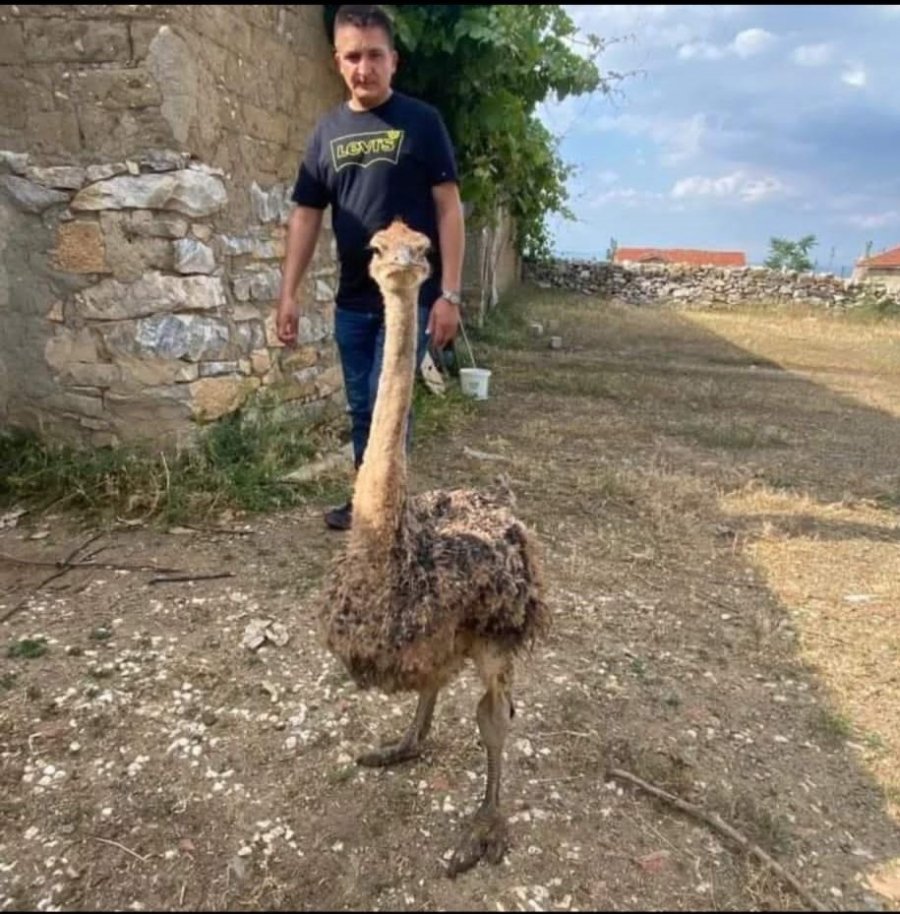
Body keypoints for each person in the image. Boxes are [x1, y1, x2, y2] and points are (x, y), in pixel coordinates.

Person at [275, 4, 465, 531]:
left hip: (408, 300)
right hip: (354, 300)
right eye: (353, 57)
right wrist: (287, 292)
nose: (365, 68)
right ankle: (368, 498)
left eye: (375, 55)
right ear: (338, 61)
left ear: (394, 61)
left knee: (393, 403)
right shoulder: (326, 132)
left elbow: (449, 208)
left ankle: (389, 505)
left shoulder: (422, 123)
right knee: (363, 407)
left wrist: (449, 294)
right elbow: (307, 213)